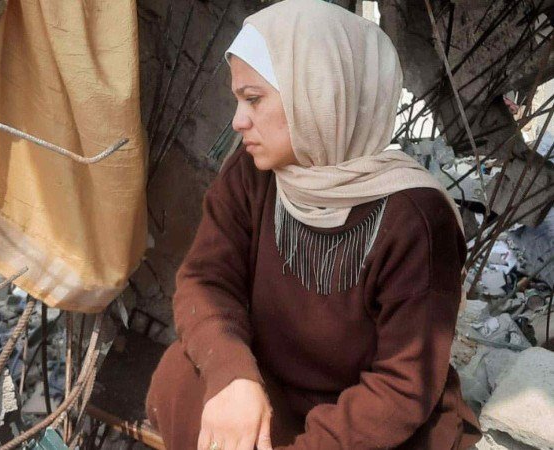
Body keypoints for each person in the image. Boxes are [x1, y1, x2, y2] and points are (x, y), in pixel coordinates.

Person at [145, 1, 482, 448]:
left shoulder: (416, 219)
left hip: (372, 425)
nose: (238, 121)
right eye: (238, 100)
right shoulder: (254, 174)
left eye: (253, 99)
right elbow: (205, 281)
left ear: (319, 94)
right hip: (273, 393)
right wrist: (234, 378)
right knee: (181, 376)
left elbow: (402, 388)